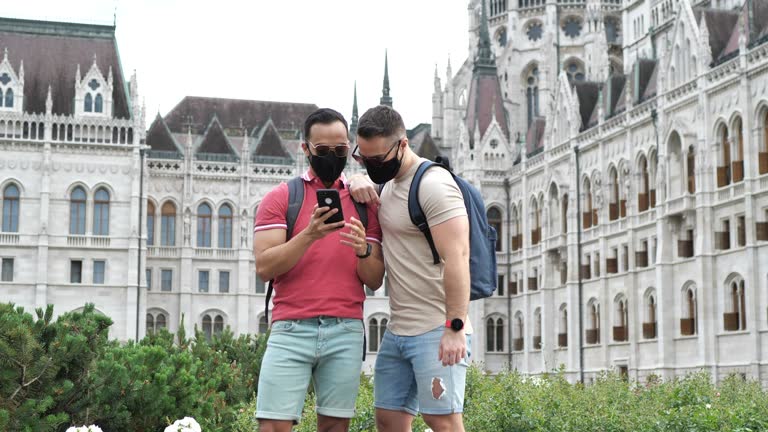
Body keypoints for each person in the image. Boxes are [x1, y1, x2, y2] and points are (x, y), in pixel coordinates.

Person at [253, 108, 385, 432]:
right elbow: (265, 266)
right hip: (291, 329)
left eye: (340, 151)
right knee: (272, 426)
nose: (332, 157)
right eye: (323, 151)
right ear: (306, 150)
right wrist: (309, 235)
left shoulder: (364, 203)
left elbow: (375, 279)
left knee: (335, 428)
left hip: (345, 330)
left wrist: (363, 250)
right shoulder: (282, 198)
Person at [349, 105, 472, 432]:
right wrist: (357, 178)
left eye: (377, 159)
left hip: (435, 327)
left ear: (403, 145)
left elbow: (458, 256)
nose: (372, 166)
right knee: (388, 421)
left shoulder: (433, 185)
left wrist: (455, 326)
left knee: (442, 422)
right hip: (398, 330)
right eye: (364, 158)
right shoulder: (387, 185)